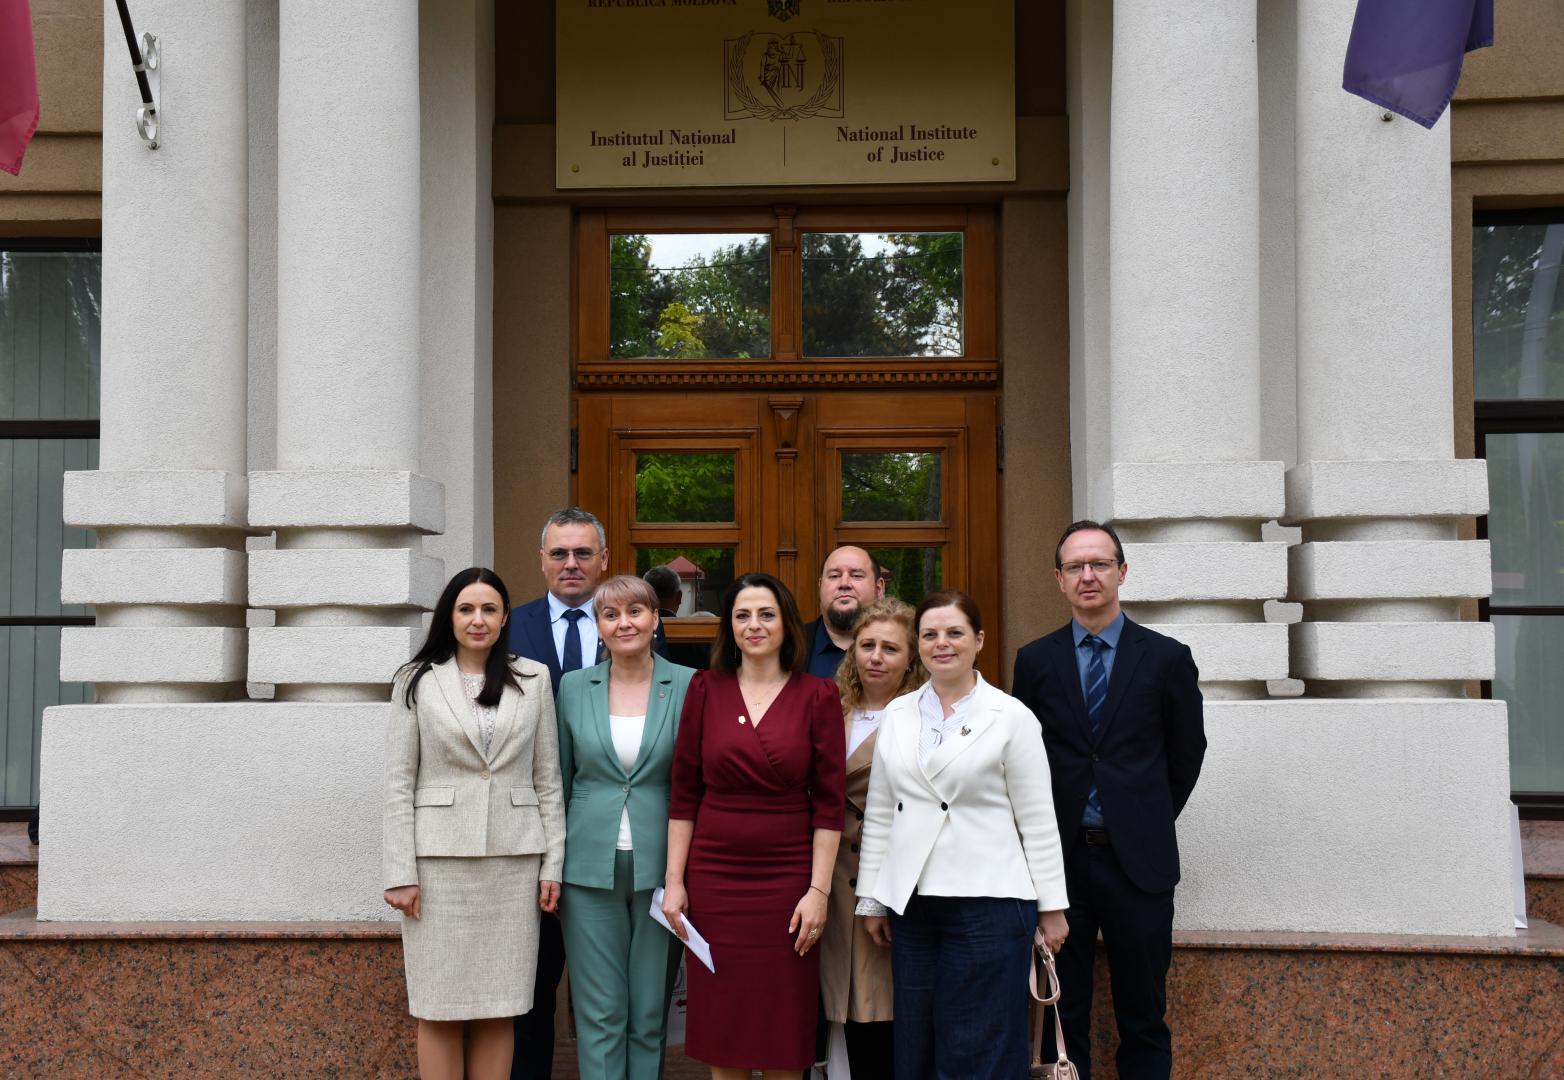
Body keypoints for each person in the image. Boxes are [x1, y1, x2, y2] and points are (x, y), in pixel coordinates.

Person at [1011, 521, 1206, 1080]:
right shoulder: (1036, 661)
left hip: (1139, 864)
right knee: (1063, 1013)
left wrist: (1140, 817)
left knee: (1143, 1015)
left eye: (1099, 564)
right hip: (1061, 863)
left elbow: (1186, 753)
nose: (1088, 576)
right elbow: (1024, 760)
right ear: (1059, 579)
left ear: (1122, 571)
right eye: (1075, 566)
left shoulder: (1166, 657)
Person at [855, 590, 1069, 1078]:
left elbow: (1037, 818)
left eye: (954, 633)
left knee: (978, 1047)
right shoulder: (899, 714)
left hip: (990, 904)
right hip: (914, 905)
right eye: (930, 634)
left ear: (979, 640)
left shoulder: (1011, 716)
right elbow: (882, 810)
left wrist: (1053, 907)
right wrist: (872, 900)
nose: (942, 643)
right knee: (917, 1045)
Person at [383, 567, 566, 1080]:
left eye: (489, 609)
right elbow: (398, 783)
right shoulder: (416, 680)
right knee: (438, 1006)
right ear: (450, 616)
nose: (478, 619)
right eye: (466, 609)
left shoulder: (534, 678)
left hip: (514, 866)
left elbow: (548, 780)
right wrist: (400, 871)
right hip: (437, 868)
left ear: (505, 617)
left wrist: (552, 864)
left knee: (501, 1006)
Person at [662, 572, 847, 1077]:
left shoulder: (817, 695)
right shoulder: (705, 688)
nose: (754, 625)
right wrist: (675, 882)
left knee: (783, 1033)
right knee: (725, 1034)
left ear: (786, 624)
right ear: (730, 626)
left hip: (789, 881)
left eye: (766, 614)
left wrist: (818, 892)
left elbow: (829, 805)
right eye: (742, 615)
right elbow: (684, 793)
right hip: (715, 880)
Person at [505, 506, 664, 1079]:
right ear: (542, 560)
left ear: (603, 559)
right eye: (559, 553)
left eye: (582, 553)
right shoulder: (508, 627)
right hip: (532, 840)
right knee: (532, 992)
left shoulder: (635, 626)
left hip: (628, 846)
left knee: (638, 1003)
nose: (570, 563)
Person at [555, 575, 695, 1080]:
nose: (624, 623)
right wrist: (552, 865)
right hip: (587, 867)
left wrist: (682, 875)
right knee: (599, 1013)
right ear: (598, 626)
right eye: (610, 615)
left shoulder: (689, 684)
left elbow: (693, 783)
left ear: (656, 618)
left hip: (662, 869)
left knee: (649, 1011)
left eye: (635, 611)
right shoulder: (574, 687)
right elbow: (559, 780)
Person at [820, 598, 924, 1077]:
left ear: (911, 658)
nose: (875, 657)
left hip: (884, 882)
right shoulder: (828, 706)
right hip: (824, 876)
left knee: (877, 1011)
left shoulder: (923, 716)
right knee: (826, 1011)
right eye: (867, 645)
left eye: (890, 648)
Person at [802, 546, 886, 678]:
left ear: (879, 588)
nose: (844, 583)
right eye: (834, 576)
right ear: (820, 587)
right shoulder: (788, 645)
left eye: (857, 576)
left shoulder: (907, 648)